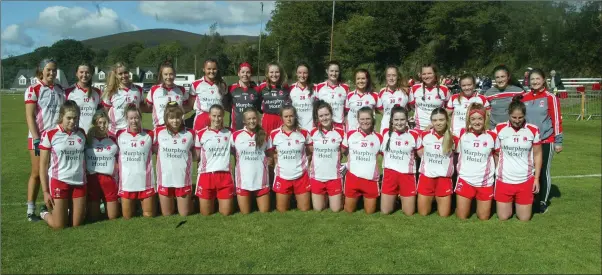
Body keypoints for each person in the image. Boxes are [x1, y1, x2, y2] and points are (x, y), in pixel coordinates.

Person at [24, 58, 66, 221]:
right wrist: (35, 138)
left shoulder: (59, 89)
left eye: (54, 70)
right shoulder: (34, 88)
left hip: (56, 139)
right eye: (48, 69)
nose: (51, 73)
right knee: (36, 173)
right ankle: (30, 210)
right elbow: (29, 115)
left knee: (53, 172)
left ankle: (49, 205)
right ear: (41, 70)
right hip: (39, 138)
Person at [38, 100, 87, 229]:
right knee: (59, 226)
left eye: (75, 118)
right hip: (59, 181)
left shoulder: (82, 134)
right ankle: (44, 213)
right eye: (69, 118)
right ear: (61, 116)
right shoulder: (50, 134)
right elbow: (43, 165)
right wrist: (45, 191)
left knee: (76, 224)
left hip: (79, 182)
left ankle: (66, 210)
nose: (72, 121)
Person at [521, 68, 563, 213]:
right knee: (529, 171)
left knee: (543, 170)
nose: (535, 82)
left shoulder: (550, 97)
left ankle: (542, 201)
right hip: (528, 142)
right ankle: (530, 198)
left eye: (538, 79)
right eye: (532, 79)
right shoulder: (524, 97)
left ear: (543, 79)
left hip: (546, 140)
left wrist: (558, 141)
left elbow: (556, 120)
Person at [494, 95, 542, 221]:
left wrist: (536, 178)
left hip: (525, 180)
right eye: (514, 117)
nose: (517, 120)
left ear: (525, 115)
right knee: (503, 217)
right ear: (508, 115)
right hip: (504, 179)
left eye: (520, 117)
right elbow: (496, 153)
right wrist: (497, 171)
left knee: (524, 218)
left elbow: (537, 154)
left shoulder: (533, 130)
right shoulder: (499, 128)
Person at [454, 103, 497, 220]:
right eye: (473, 119)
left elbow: (497, 156)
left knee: (484, 218)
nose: (476, 122)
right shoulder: (462, 133)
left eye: (480, 118)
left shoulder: (492, 136)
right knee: (461, 217)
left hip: (485, 182)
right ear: (468, 120)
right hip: (465, 179)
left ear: (485, 119)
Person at [154, 102, 196, 216]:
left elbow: (196, 154)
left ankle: (193, 200)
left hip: (183, 180)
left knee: (184, 214)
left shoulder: (190, 133)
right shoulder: (158, 132)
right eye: (171, 118)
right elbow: (151, 149)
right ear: (166, 118)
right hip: (165, 180)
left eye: (178, 117)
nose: (175, 121)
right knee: (167, 214)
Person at [267, 106, 312, 212]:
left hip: (301, 176)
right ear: (281, 118)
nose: (289, 119)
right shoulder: (274, 134)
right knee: (281, 210)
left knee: (305, 209)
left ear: (295, 116)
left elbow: (310, 151)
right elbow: (271, 154)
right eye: (286, 116)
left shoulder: (304, 133)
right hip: (282, 176)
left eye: (291, 116)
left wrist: (307, 165)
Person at [116, 104, 156, 219]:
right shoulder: (119, 135)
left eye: (137, 118)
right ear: (126, 119)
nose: (134, 121)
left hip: (145, 182)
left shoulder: (150, 134)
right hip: (127, 182)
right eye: (131, 118)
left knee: (148, 216)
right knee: (127, 217)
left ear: (141, 118)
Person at [416, 108, 457, 217]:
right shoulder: (424, 135)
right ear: (431, 121)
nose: (438, 123)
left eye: (441, 120)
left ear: (446, 120)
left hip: (444, 180)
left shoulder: (454, 138)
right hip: (426, 178)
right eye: (435, 120)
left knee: (444, 215)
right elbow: (420, 153)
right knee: (423, 214)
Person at [341, 107, 383, 214]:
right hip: (352, 178)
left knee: (370, 212)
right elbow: (343, 149)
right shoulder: (350, 134)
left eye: (368, 119)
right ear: (358, 120)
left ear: (372, 119)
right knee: (349, 211)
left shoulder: (379, 137)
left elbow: (386, 156)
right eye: (362, 119)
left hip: (370, 179)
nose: (365, 122)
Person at [195, 104, 235, 216]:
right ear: (209, 116)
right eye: (214, 115)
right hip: (206, 175)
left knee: (226, 213)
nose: (216, 119)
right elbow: (196, 156)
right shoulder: (201, 133)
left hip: (225, 175)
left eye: (219, 116)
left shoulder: (230, 132)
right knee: (206, 214)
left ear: (223, 116)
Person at [380, 106, 420, 215]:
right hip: (390, 174)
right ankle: (395, 199)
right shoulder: (385, 133)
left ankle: (400, 197)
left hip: (407, 175)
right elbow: (380, 151)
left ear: (407, 119)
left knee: (409, 212)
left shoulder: (414, 134)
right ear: (391, 120)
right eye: (396, 120)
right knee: (385, 211)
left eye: (402, 119)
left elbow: (422, 154)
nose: (399, 123)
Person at [230, 107, 271, 214]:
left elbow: (270, 155)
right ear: (244, 121)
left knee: (265, 213)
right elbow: (232, 153)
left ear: (257, 119)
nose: (252, 121)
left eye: (254, 118)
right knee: (245, 214)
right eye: (249, 119)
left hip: (261, 180)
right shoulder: (235, 136)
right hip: (243, 181)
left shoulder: (265, 135)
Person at [308, 100, 345, 212]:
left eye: (326, 115)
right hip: (317, 177)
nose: (324, 118)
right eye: (321, 116)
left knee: (336, 209)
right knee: (318, 209)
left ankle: (337, 197)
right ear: (317, 117)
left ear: (331, 114)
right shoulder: (313, 132)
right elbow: (311, 150)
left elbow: (342, 151)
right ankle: (325, 197)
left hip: (334, 177)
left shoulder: (340, 132)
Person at [85, 110, 120, 221]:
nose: (102, 125)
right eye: (99, 123)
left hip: (108, 179)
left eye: (105, 123)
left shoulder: (114, 139)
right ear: (95, 123)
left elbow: (119, 160)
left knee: (113, 217)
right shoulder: (87, 140)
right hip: (92, 178)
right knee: (94, 217)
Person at [102, 62, 145, 134]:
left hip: (134, 131)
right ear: (116, 75)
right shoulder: (111, 91)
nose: (124, 75)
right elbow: (106, 111)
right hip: (115, 132)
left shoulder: (138, 89)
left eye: (125, 72)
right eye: (120, 74)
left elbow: (141, 108)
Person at [145, 61, 192, 128]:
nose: (168, 77)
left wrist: (178, 111)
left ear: (175, 74)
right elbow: (147, 107)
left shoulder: (181, 90)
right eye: (166, 74)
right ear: (162, 75)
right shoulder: (154, 89)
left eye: (171, 74)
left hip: (178, 128)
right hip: (160, 128)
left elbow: (189, 107)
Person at [409, 64, 450, 132]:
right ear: (421, 75)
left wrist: (432, 124)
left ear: (435, 74)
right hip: (418, 129)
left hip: (438, 128)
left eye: (429, 73)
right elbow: (412, 106)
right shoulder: (414, 88)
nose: (426, 76)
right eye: (424, 74)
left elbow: (448, 109)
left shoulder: (444, 89)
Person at [191, 58, 229, 131]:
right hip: (201, 118)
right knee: (198, 141)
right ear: (204, 69)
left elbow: (226, 103)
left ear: (217, 69)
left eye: (214, 69)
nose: (211, 71)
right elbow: (190, 104)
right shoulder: (196, 84)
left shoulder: (222, 85)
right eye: (209, 69)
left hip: (217, 119)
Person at [224, 62, 262, 131]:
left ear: (251, 74)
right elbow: (226, 106)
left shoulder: (256, 89)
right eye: (243, 72)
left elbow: (260, 108)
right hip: (235, 129)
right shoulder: (231, 88)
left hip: (252, 129)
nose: (245, 74)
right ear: (238, 73)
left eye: (248, 72)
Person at [65, 62, 102, 133]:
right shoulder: (68, 92)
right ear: (76, 74)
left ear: (91, 74)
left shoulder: (97, 92)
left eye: (87, 72)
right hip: (75, 133)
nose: (84, 75)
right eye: (81, 72)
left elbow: (101, 113)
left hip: (93, 133)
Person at [315, 61, 350, 130]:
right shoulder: (319, 87)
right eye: (331, 71)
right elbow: (316, 108)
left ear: (339, 72)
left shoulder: (345, 88)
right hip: (324, 125)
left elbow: (347, 111)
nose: (334, 74)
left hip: (339, 126)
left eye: (336, 71)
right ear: (327, 71)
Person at [259, 62, 291, 135]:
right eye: (271, 72)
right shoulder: (262, 87)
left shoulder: (285, 87)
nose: (274, 75)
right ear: (267, 74)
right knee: (268, 144)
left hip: (282, 120)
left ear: (280, 73)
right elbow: (257, 101)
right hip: (267, 120)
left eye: (277, 72)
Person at [378, 65, 410, 134]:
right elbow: (380, 109)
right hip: (386, 125)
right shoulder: (382, 92)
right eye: (388, 75)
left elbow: (410, 107)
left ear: (398, 76)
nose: (391, 78)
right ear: (386, 77)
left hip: (402, 125)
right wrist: (390, 115)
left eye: (394, 75)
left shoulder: (405, 91)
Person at [289, 62, 316, 130]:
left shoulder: (315, 88)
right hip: (296, 127)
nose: (302, 75)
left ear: (308, 74)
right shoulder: (291, 88)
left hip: (311, 127)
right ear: (296, 73)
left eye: (305, 73)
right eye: (300, 72)